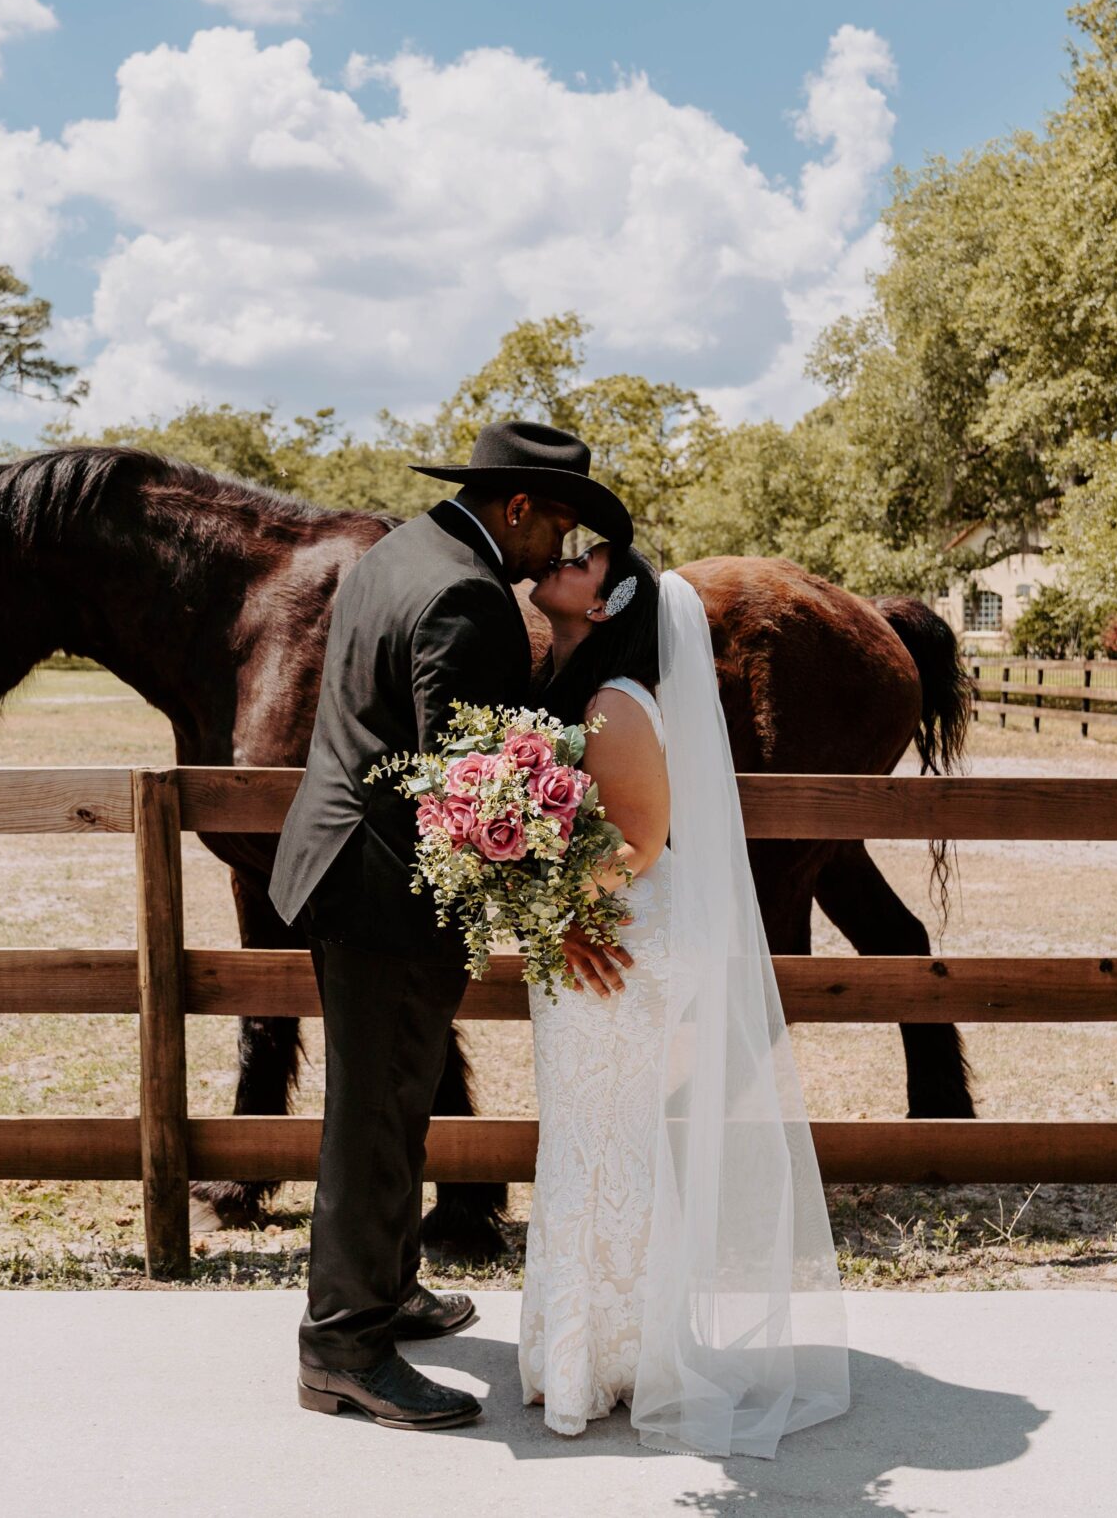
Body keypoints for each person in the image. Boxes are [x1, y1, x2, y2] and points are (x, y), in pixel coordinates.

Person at [270, 420, 634, 1431]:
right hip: (382, 890)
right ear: (516, 507)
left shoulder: (401, 548)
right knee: (375, 1120)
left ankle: (387, 1291)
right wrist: (556, 910)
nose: (561, 551)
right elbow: (476, 785)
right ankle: (343, 1348)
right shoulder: (467, 596)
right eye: (557, 525)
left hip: (348, 866)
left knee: (393, 1099)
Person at [518, 542, 851, 1457]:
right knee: (594, 1135)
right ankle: (605, 1349)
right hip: (600, 936)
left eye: (580, 560)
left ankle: (612, 1358)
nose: (556, 561)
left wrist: (553, 909)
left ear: (611, 599)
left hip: (613, 943)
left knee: (600, 1137)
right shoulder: (581, 690)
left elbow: (642, 841)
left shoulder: (617, 704)